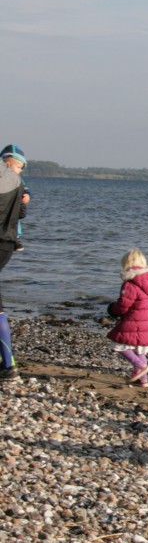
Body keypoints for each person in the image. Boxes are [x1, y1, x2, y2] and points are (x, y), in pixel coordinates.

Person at [107, 249, 148, 387]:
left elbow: (124, 305)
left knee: (118, 345)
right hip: (146, 322)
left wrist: (113, 309)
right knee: (140, 348)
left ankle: (140, 366)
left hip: (132, 320)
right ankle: (143, 380)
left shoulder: (130, 283)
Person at [0, 144, 28, 381]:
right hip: (7, 244)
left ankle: (9, 366)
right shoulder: (18, 183)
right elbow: (20, 214)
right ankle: (8, 365)